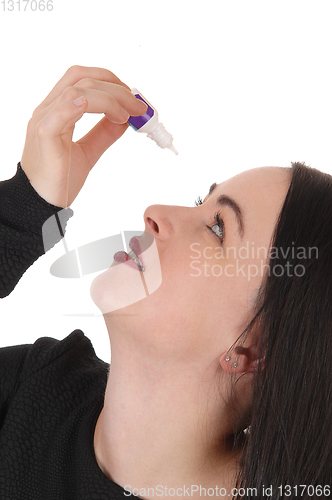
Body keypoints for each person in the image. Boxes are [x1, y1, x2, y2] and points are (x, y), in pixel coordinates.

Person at [0, 66, 331, 500]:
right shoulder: (32, 389)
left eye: (217, 228)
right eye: (201, 202)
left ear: (251, 351)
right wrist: (24, 208)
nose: (154, 212)